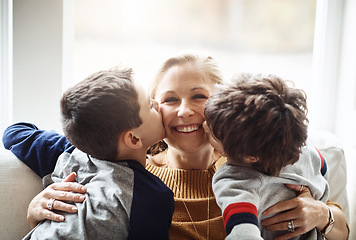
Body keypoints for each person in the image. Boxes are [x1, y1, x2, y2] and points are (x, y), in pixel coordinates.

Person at [2, 53, 349, 240]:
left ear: (224, 104)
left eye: (199, 96)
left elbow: (342, 229)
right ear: (140, 125)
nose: (184, 110)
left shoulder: (262, 163)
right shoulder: (128, 177)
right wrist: (38, 213)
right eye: (168, 100)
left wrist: (325, 216)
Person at [13, 67, 174, 239]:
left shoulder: (67, 153)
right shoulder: (153, 196)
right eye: (150, 105)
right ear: (133, 139)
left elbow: (14, 133)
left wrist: (86, 139)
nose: (157, 104)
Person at [203, 73, 330, 239]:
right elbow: (323, 174)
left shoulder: (235, 182)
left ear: (250, 156)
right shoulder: (311, 153)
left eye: (213, 135)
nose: (204, 125)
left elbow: (243, 235)